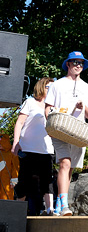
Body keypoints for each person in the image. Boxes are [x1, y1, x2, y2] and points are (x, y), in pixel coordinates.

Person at [45, 51, 88, 216]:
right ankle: (65, 205)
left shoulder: (87, 88)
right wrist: (50, 124)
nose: (78, 65)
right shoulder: (56, 85)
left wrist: (84, 107)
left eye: (81, 63)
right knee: (64, 164)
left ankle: (60, 203)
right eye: (75, 62)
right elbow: (47, 109)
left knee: (70, 169)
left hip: (77, 132)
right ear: (68, 64)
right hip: (60, 129)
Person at [11, 77, 55, 215]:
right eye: (49, 87)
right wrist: (15, 142)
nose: (51, 90)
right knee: (25, 181)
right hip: (28, 148)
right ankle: (17, 211)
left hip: (47, 149)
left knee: (47, 181)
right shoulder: (30, 102)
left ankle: (50, 210)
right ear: (42, 87)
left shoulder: (54, 107)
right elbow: (19, 123)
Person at [0, 134, 19, 200]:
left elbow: (15, 167)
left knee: (6, 197)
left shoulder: (12, 153)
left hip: (7, 181)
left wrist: (14, 179)